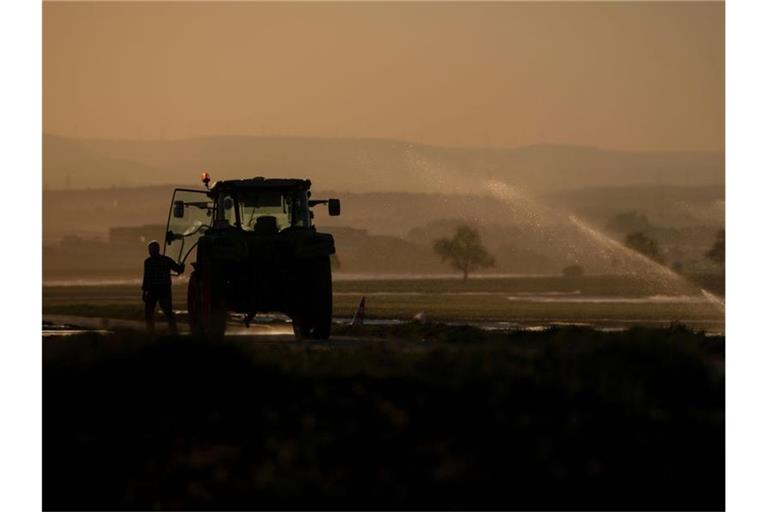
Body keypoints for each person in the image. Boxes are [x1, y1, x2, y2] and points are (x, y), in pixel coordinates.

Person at [142, 240, 184, 335]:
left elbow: (146, 278)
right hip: (163, 290)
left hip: (154, 290)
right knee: (167, 311)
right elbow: (179, 270)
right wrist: (182, 265)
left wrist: (144, 292)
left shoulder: (148, 262)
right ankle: (173, 331)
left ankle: (151, 331)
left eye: (151, 250)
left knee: (150, 312)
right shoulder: (166, 260)